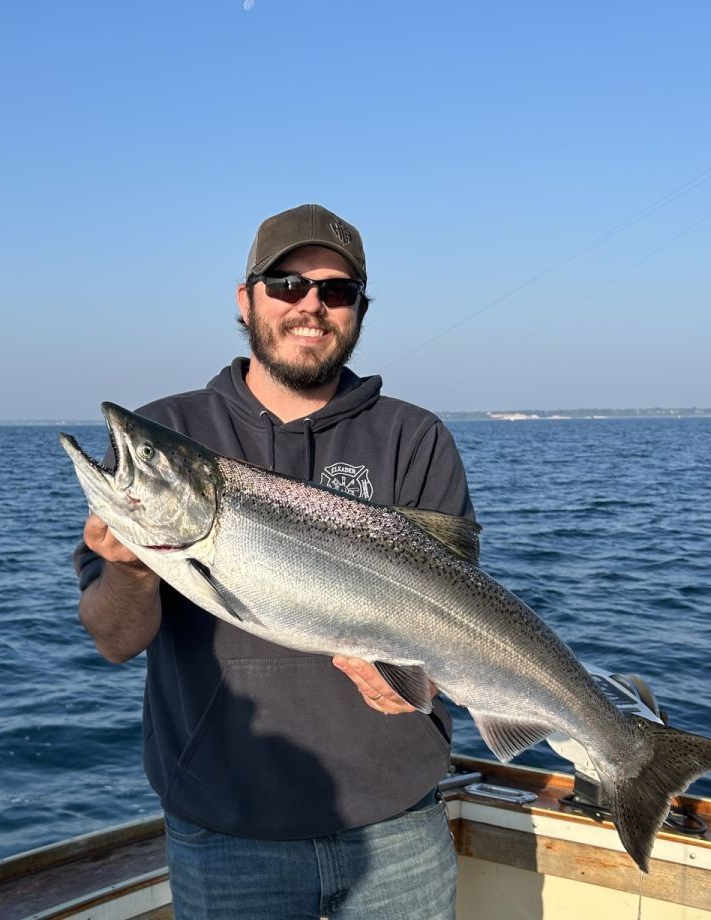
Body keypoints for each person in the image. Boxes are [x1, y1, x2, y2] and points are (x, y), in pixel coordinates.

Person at [72, 203, 475, 919]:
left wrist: (427, 683)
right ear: (246, 297)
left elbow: (460, 613)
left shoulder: (415, 437)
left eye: (337, 290)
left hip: (399, 823)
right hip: (225, 832)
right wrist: (131, 568)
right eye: (287, 284)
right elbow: (114, 640)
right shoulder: (168, 431)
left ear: (358, 309)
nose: (311, 305)